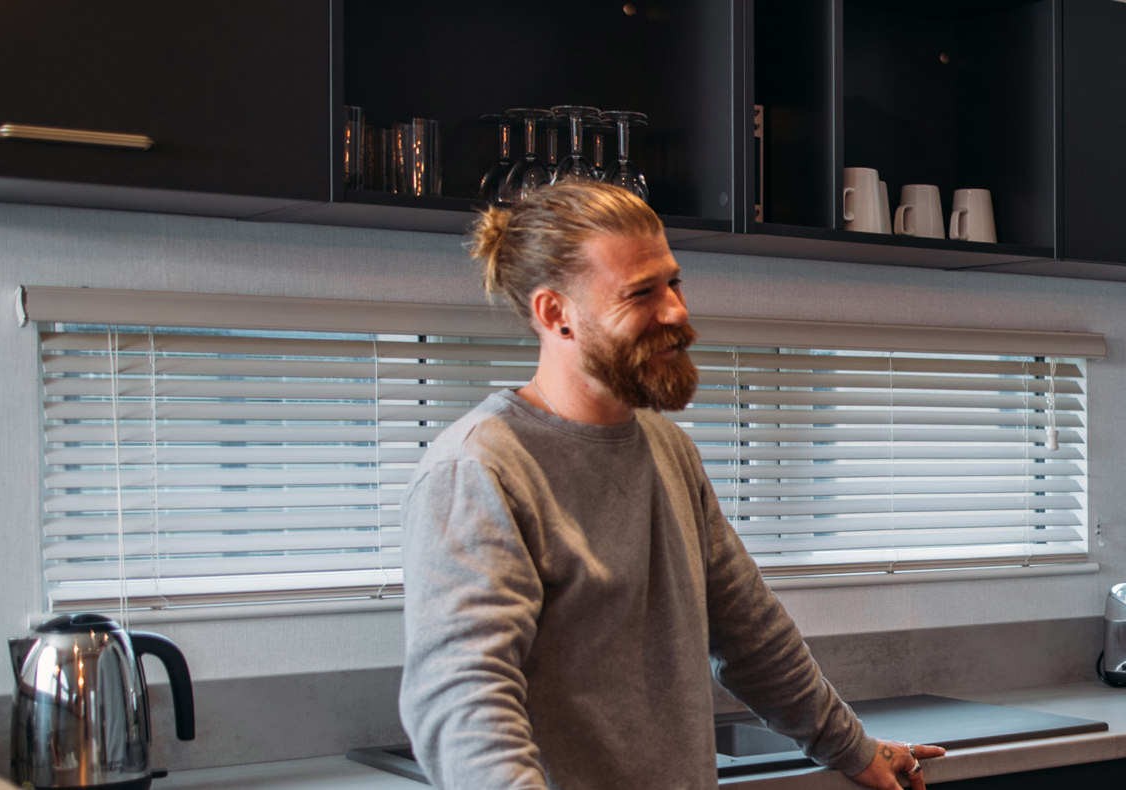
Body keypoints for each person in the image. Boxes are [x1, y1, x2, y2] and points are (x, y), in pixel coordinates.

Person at [398, 181, 943, 790]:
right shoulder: (480, 469)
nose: (677, 312)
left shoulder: (667, 449)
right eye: (641, 294)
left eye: (674, 283)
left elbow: (749, 632)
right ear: (557, 314)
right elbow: (463, 697)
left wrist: (852, 747)